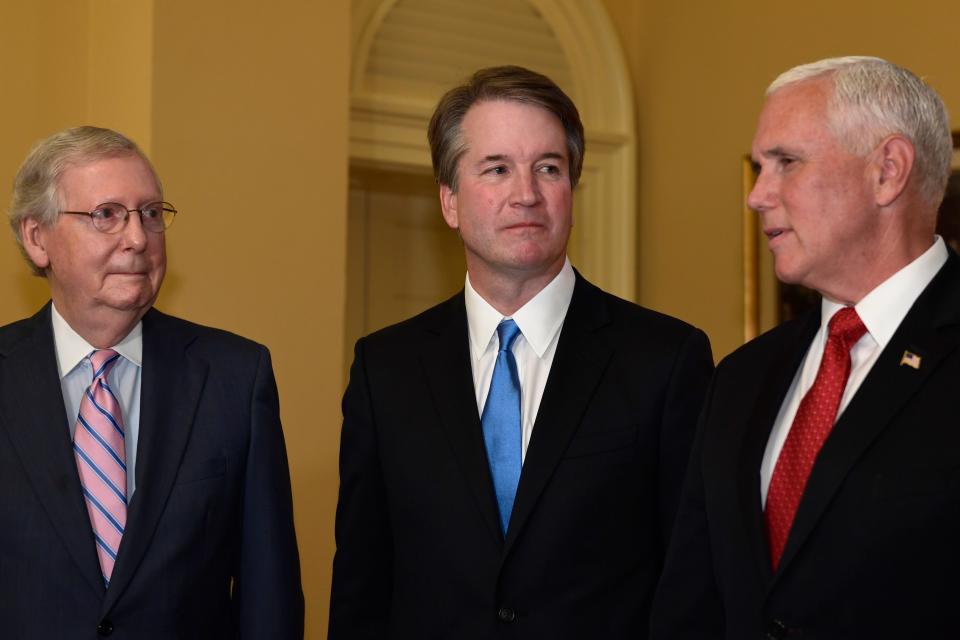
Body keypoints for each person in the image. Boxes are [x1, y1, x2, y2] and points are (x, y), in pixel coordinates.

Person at [329, 65, 713, 639]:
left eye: (549, 169)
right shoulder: (386, 370)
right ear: (450, 201)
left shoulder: (665, 358)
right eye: (497, 169)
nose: (527, 194)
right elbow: (363, 584)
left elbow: (693, 583)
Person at [651, 56, 957, 639]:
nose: (757, 195)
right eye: (760, 166)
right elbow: (692, 604)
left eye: (786, 162)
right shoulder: (741, 377)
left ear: (888, 171)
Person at [0, 126, 304, 638]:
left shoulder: (234, 377)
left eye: (151, 214)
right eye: (107, 215)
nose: (138, 238)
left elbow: (267, 594)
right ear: (37, 238)